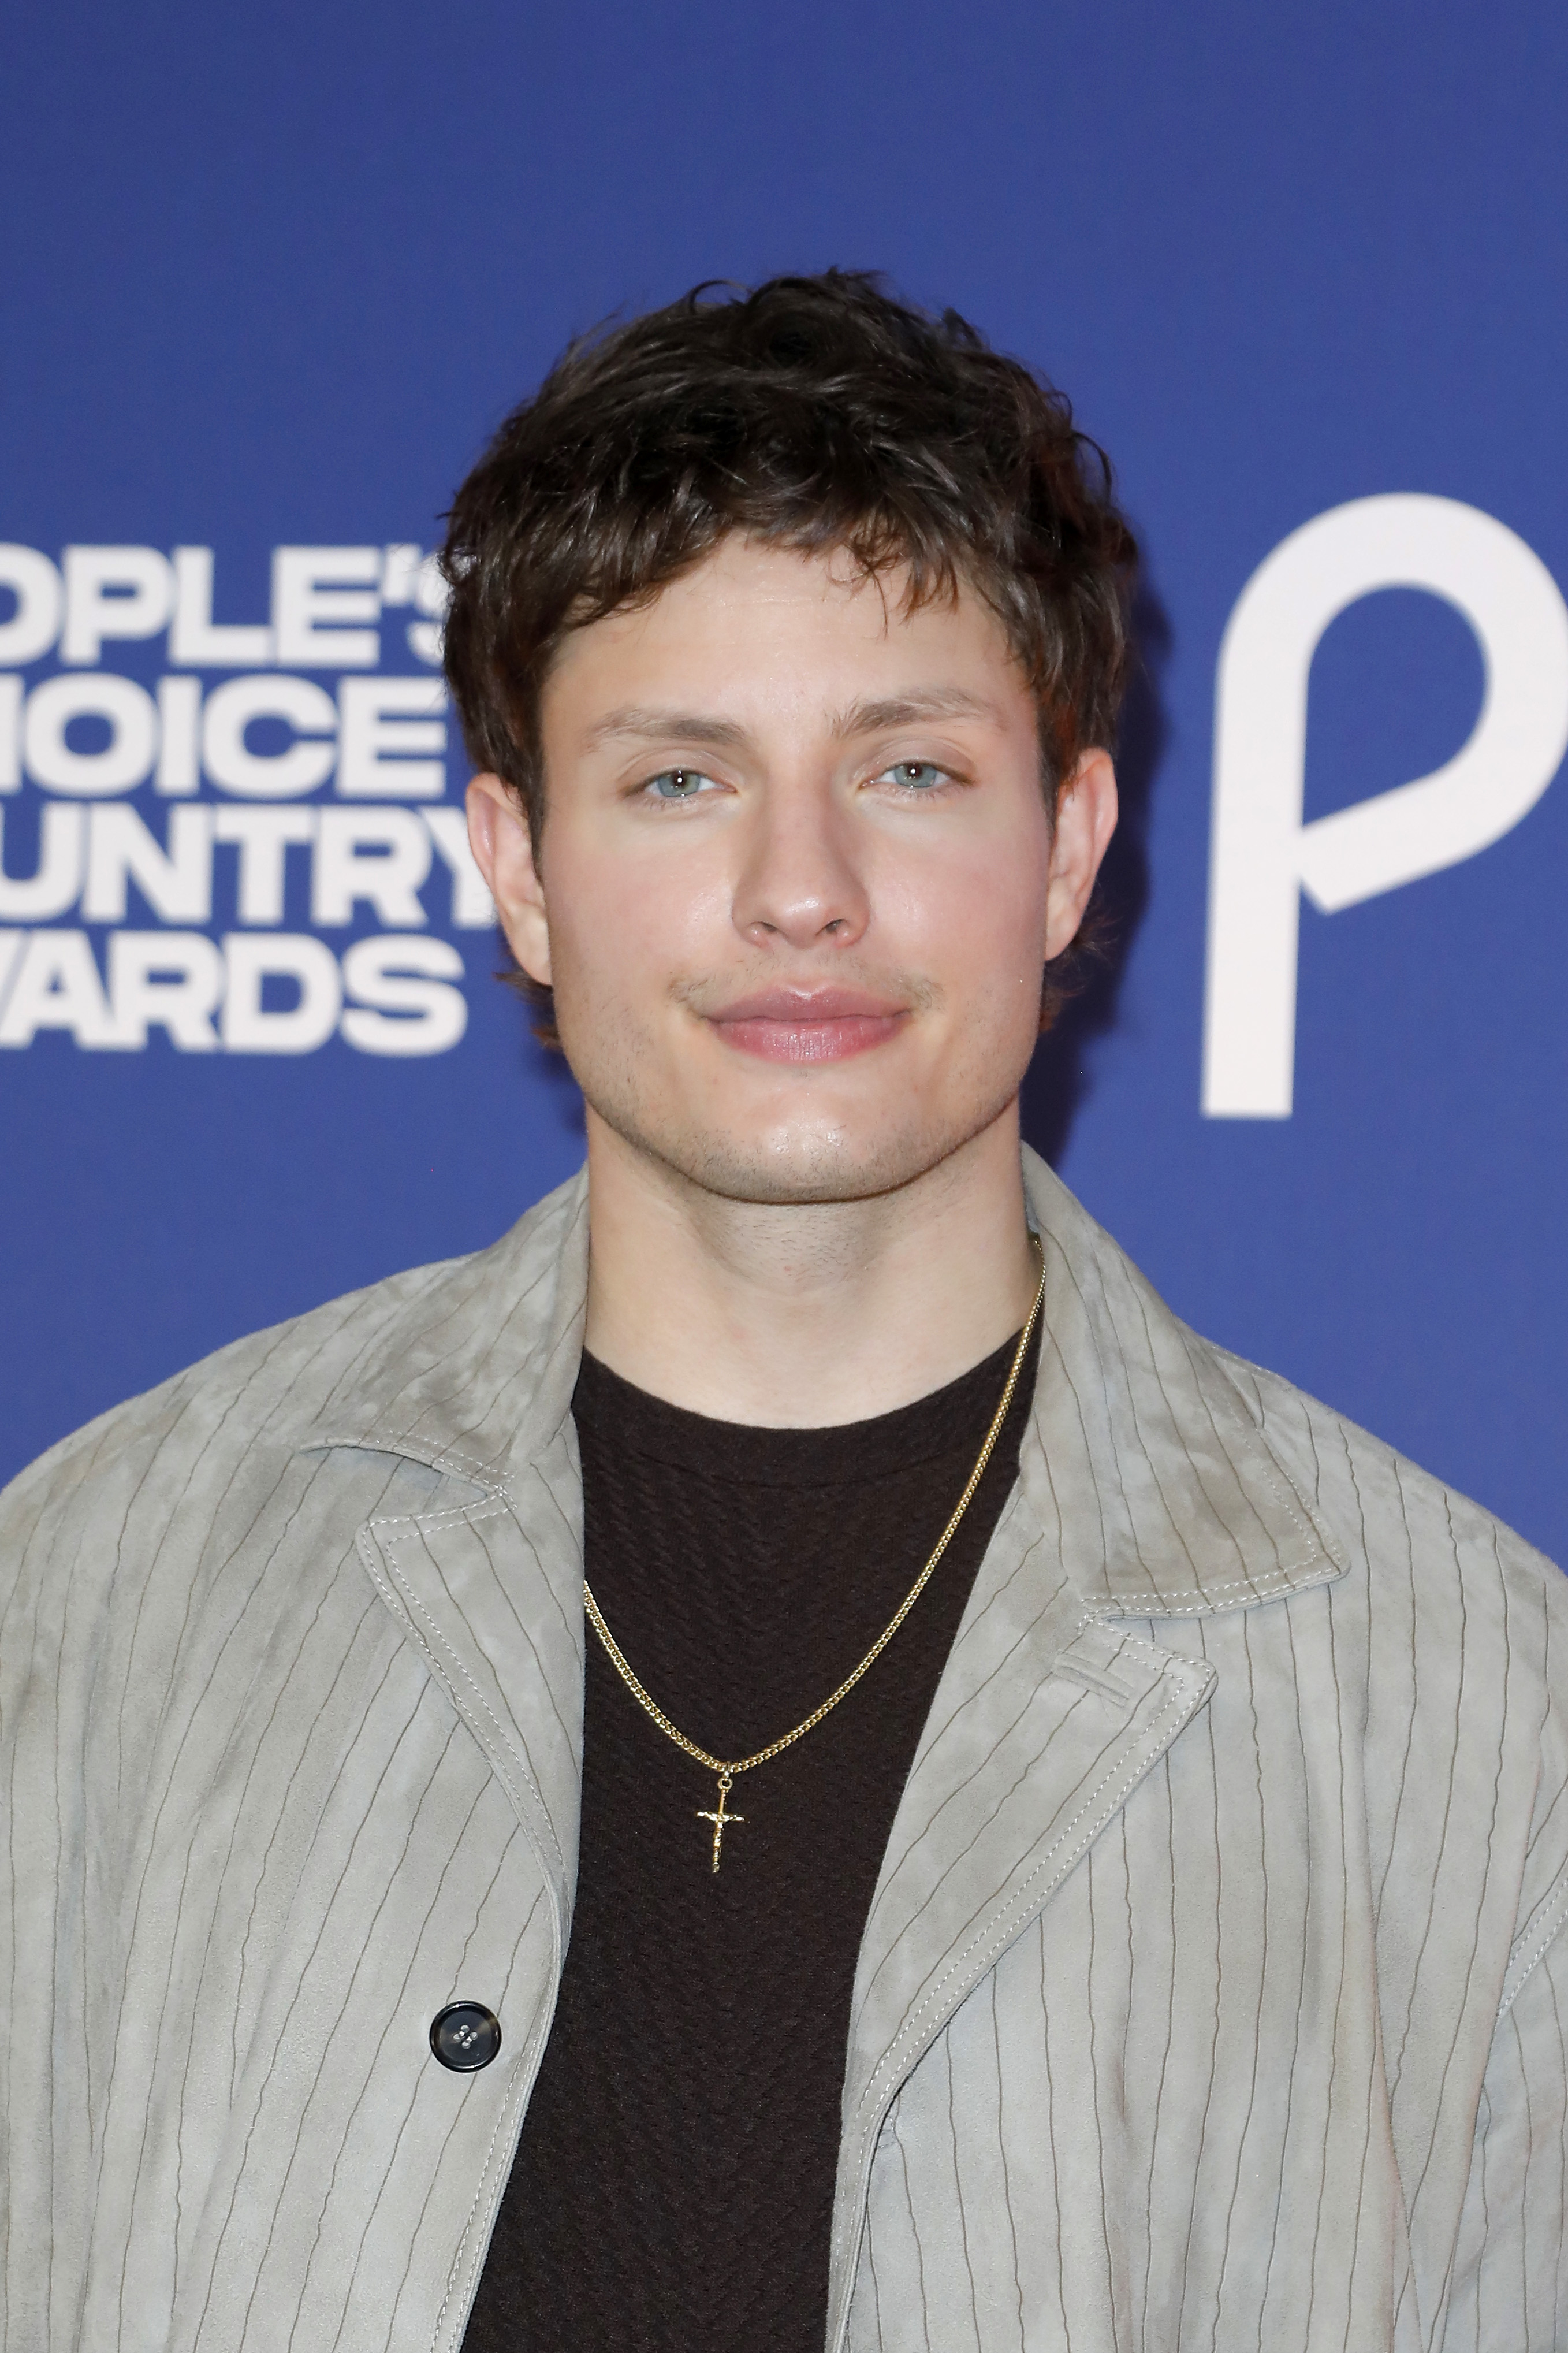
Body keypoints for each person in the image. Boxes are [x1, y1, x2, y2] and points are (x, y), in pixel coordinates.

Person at [3, 272, 1565, 2353]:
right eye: (676, 781)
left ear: (1069, 844)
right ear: (522, 868)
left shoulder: (1467, 1706)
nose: (799, 887)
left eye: (910, 770)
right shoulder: (102, 1587)